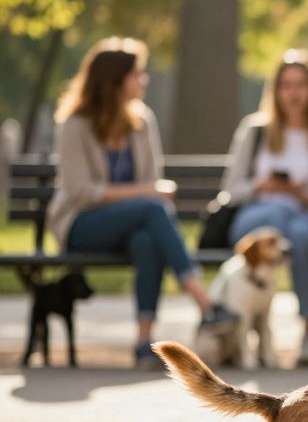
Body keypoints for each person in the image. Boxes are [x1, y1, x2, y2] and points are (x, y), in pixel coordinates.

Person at [48, 37, 235, 369]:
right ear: (114, 81)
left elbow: (150, 180)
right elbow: (81, 192)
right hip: (81, 224)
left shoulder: (142, 121)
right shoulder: (75, 124)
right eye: (137, 74)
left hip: (132, 224)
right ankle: (205, 303)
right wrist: (143, 193)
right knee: (151, 209)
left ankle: (143, 342)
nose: (143, 80)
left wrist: (146, 193)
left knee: (147, 240)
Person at [223, 50, 308, 367]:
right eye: (286, 85)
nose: (293, 93)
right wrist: (262, 186)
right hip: (256, 218)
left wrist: (303, 196)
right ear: (276, 90)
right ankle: (260, 335)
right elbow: (231, 189)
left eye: (301, 85)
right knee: (281, 218)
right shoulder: (255, 131)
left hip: (303, 218)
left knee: (302, 236)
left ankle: (307, 329)